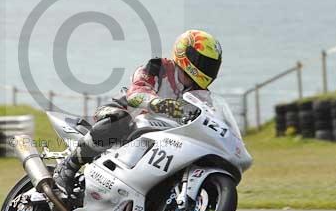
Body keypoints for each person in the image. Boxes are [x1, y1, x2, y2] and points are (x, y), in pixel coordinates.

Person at [53, 29, 223, 194]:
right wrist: (157, 103)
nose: (207, 69)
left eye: (211, 65)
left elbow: (209, 119)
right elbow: (136, 92)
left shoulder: (201, 96)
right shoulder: (158, 67)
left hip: (159, 135)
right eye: (203, 62)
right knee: (121, 119)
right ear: (184, 52)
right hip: (122, 112)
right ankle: (68, 166)